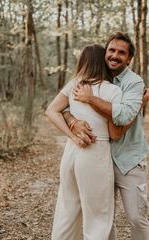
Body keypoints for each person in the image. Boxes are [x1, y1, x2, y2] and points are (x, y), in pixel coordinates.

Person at [63, 32, 149, 240]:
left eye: (122, 53)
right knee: (103, 218)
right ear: (104, 52)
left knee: (137, 217)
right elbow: (64, 107)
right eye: (111, 50)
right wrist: (72, 122)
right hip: (99, 159)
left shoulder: (134, 83)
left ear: (129, 58)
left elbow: (121, 118)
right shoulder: (92, 77)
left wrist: (91, 99)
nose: (115, 56)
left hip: (129, 159)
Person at [45, 44, 123, 240]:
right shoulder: (113, 91)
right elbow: (117, 130)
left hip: (71, 152)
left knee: (67, 210)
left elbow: (51, 111)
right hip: (95, 152)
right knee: (97, 217)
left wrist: (71, 135)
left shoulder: (74, 85)